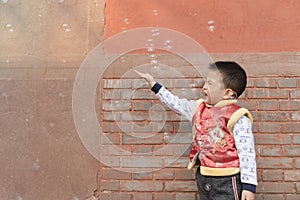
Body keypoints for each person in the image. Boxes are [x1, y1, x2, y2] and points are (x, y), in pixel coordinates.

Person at [135, 61, 257, 200]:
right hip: (204, 176)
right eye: (206, 81)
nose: (204, 86)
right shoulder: (199, 108)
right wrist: (154, 85)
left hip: (228, 179)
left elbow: (247, 152)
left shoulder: (237, 117)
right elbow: (176, 103)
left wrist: (249, 185)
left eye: (210, 83)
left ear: (228, 93)